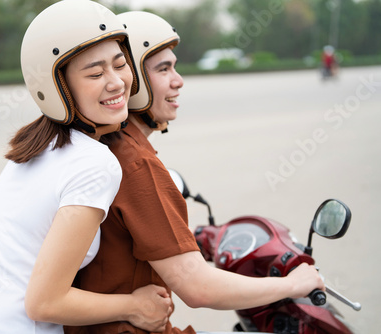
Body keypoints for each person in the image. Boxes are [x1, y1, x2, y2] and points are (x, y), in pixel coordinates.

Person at [65, 11, 325, 334]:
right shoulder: (134, 161)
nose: (179, 80)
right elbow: (197, 287)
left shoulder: (108, 146)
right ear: (135, 81)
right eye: (164, 69)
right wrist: (291, 284)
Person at [0, 2, 172, 333]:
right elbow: (45, 302)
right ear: (59, 86)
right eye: (95, 73)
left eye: (120, 64)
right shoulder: (96, 161)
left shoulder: (38, 146)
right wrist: (135, 306)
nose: (117, 82)